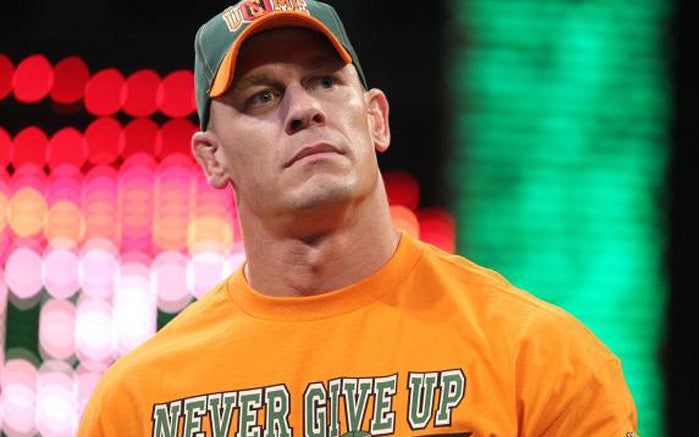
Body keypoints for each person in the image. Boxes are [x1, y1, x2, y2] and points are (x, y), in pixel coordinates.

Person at [78, 1, 640, 436]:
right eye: (262, 96)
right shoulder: (136, 405)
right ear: (212, 157)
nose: (304, 109)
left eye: (325, 81)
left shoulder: (543, 362)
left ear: (376, 119)